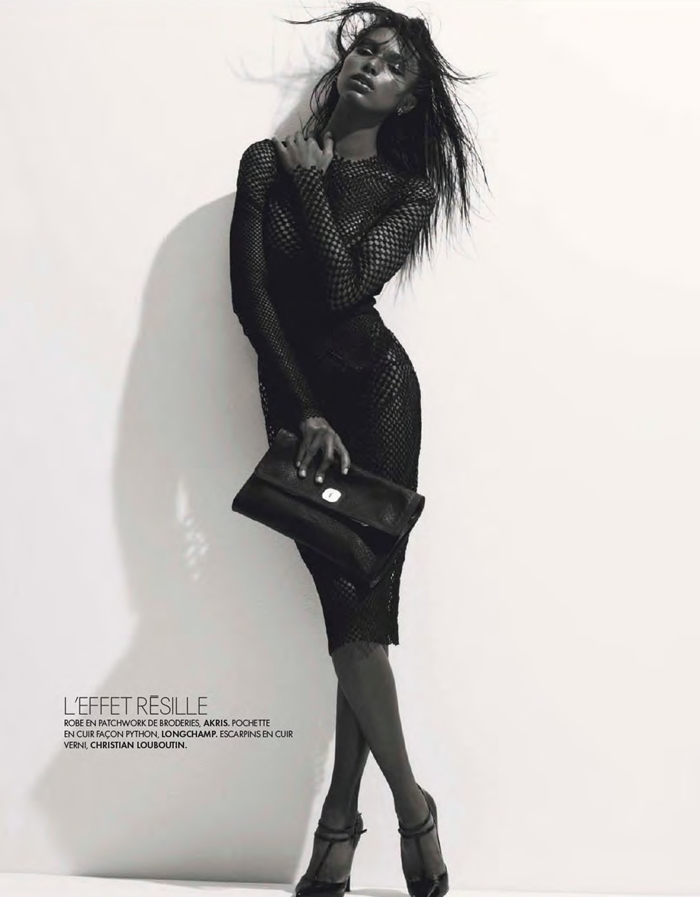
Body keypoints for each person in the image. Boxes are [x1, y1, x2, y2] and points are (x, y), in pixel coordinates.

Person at [229, 3, 487, 895]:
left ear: (408, 100)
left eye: (394, 64)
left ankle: (345, 827)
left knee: (359, 621)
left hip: (378, 400)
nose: (372, 64)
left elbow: (345, 290)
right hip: (302, 408)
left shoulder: (406, 191)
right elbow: (253, 300)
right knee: (350, 619)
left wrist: (314, 185)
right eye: (366, 50)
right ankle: (407, 809)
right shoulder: (263, 163)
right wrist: (301, 412)